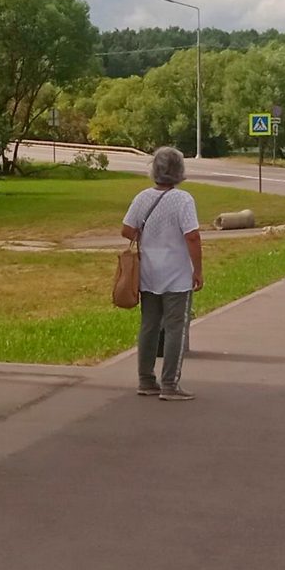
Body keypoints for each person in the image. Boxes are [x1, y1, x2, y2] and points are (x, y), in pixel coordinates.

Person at [121, 145, 202, 401]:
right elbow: (192, 236)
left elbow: (127, 230)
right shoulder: (183, 199)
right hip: (177, 275)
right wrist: (198, 270)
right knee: (176, 327)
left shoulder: (142, 197)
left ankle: (146, 380)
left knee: (149, 325)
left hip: (148, 273)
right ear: (179, 171)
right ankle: (170, 384)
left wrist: (149, 237)